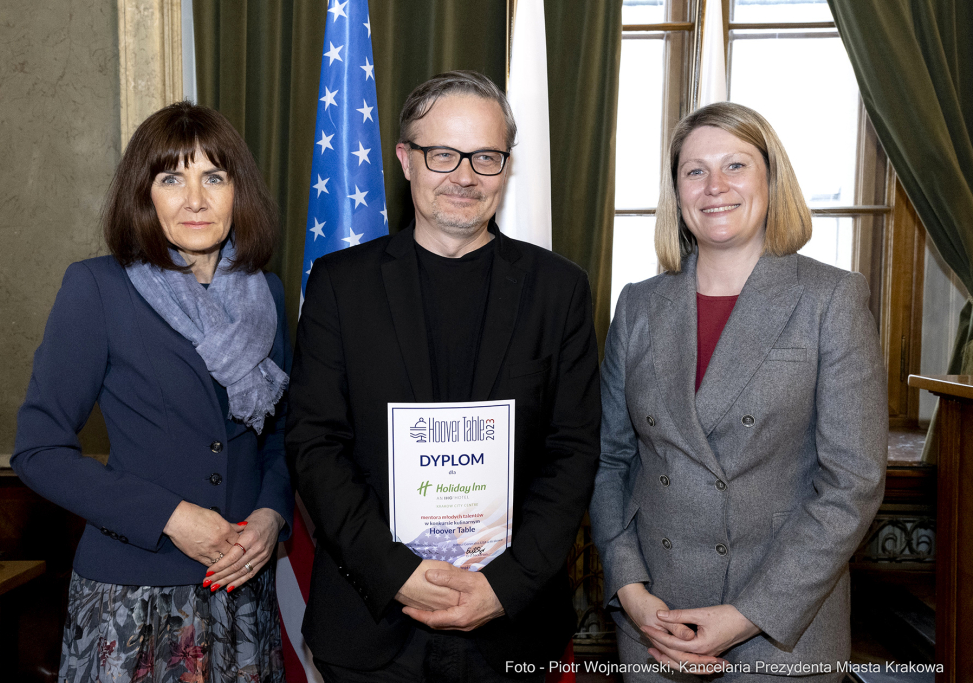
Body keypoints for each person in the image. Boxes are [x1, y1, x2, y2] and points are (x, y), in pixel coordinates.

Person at [286, 70, 601, 682]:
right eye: (442, 154)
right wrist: (396, 574)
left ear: (507, 167)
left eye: (486, 157)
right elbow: (315, 445)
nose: (464, 176)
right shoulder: (339, 286)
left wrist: (503, 586)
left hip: (512, 623)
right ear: (406, 160)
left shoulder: (558, 291)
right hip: (371, 623)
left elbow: (574, 452)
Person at [589, 102, 887, 682]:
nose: (714, 187)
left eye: (736, 166)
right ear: (676, 192)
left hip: (782, 630)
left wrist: (747, 615)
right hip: (656, 628)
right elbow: (609, 462)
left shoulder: (832, 299)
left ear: (772, 181)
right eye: (694, 171)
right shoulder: (639, 305)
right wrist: (630, 589)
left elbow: (853, 483)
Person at [11, 102, 292, 683]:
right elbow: (37, 452)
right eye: (172, 178)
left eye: (214, 176)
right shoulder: (97, 288)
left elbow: (281, 435)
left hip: (241, 589)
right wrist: (171, 516)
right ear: (145, 195)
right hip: (131, 601)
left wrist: (271, 515)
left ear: (238, 192)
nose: (196, 199)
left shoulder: (267, 293)